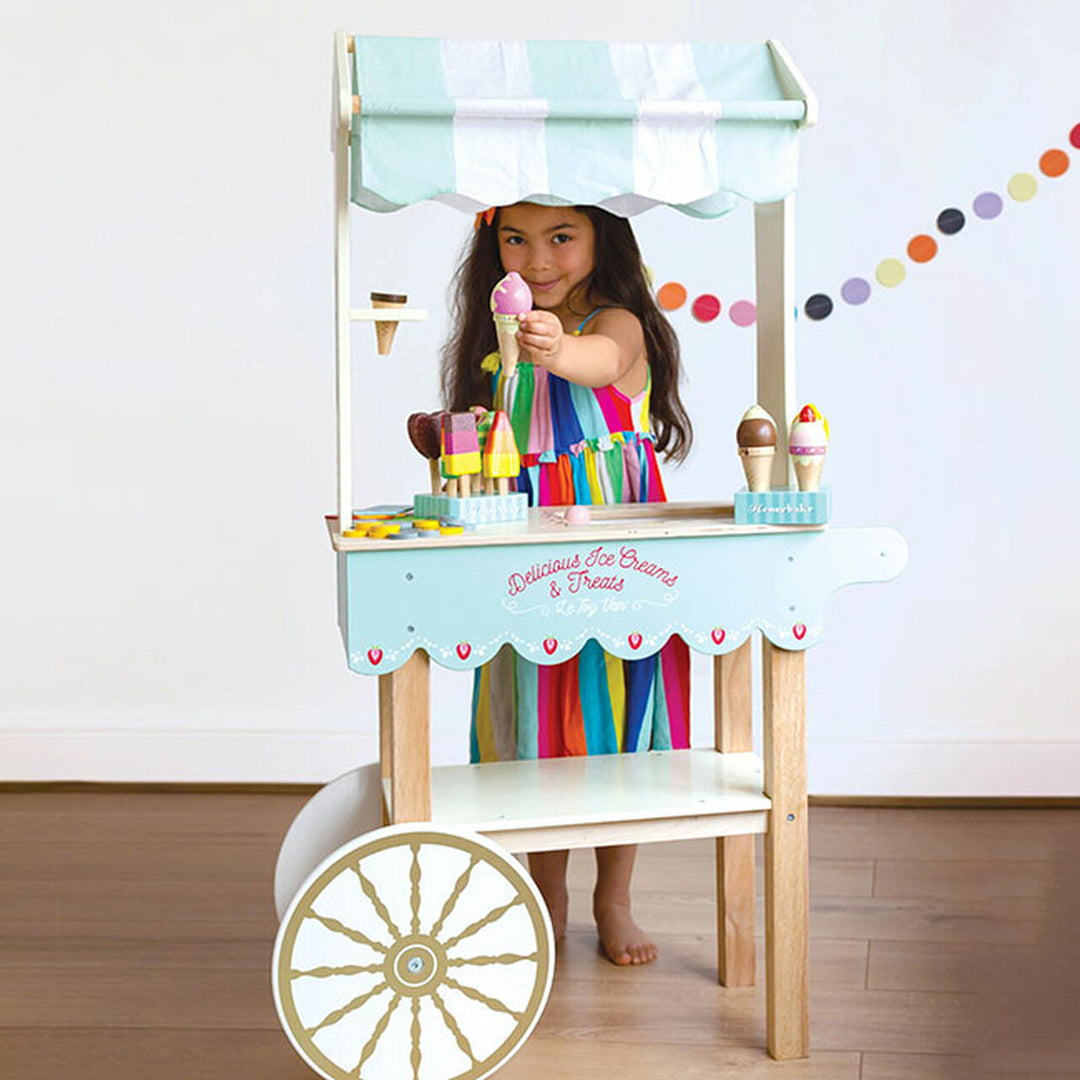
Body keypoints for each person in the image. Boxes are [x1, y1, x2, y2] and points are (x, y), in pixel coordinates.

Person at [441, 202, 693, 965]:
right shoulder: (496, 342)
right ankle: (543, 892)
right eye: (515, 239)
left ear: (600, 239)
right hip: (528, 561)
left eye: (561, 238)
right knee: (536, 728)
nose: (538, 259)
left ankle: (612, 896)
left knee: (615, 728)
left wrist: (555, 346)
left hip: (617, 564)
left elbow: (601, 363)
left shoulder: (618, 323)